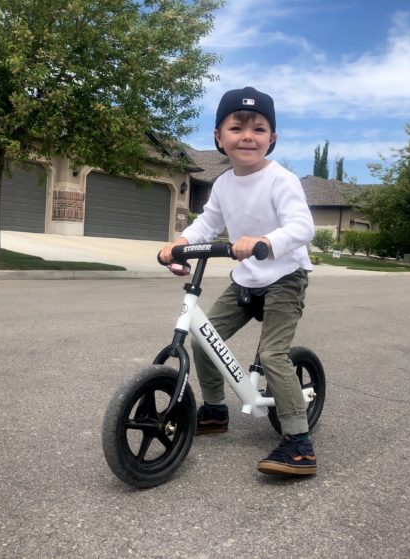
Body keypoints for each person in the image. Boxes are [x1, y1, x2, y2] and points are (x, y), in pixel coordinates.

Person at [159, 86, 317, 476]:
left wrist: (265, 241)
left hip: (285, 277)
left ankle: (299, 443)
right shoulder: (224, 184)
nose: (248, 136)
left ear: (272, 139)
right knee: (203, 336)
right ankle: (214, 410)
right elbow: (208, 223)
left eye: (259, 129)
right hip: (247, 279)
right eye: (237, 128)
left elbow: (302, 226)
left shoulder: (281, 180)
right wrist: (179, 244)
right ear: (218, 137)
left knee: (272, 356)